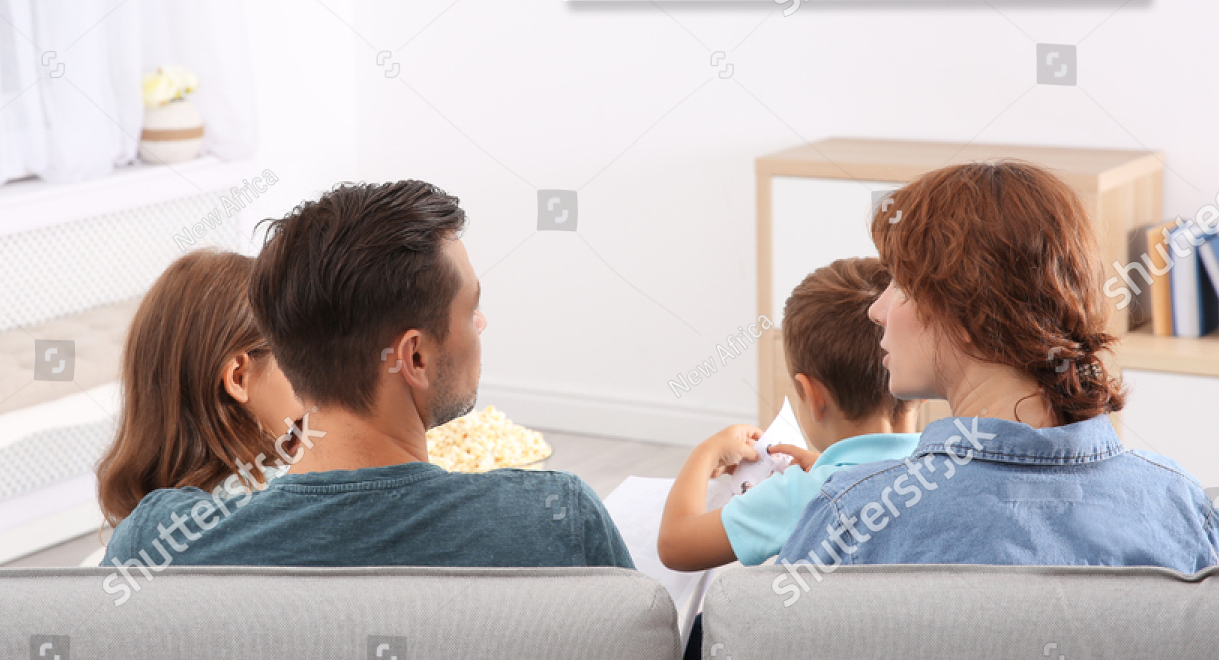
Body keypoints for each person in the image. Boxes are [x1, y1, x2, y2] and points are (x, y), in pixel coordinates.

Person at [103, 179, 633, 573]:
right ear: (415, 358)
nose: (481, 323)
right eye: (470, 308)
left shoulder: (154, 543)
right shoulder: (560, 520)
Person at [776, 161, 1219, 591]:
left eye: (900, 284)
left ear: (969, 317)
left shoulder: (856, 513)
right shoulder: (1183, 506)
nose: (877, 310)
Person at [658, 258, 919, 572]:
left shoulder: (805, 495)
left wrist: (705, 453)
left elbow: (676, 545)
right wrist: (827, 466)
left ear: (812, 396)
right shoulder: (947, 468)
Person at [97, 249, 305, 527]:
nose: (312, 382)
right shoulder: (288, 494)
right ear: (238, 377)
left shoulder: (147, 519)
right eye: (298, 360)